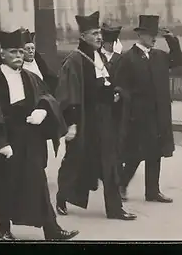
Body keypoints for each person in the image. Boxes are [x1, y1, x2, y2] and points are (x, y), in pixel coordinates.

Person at [0, 29, 79, 241]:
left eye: (20, 52)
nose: (18, 56)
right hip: (6, 139)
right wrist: (0, 143)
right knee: (6, 184)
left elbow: (46, 96)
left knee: (38, 182)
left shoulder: (30, 77)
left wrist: (43, 110)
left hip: (30, 137)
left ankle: (51, 229)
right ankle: (3, 227)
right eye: (13, 53)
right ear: (2, 55)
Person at [55, 11, 137, 221]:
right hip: (84, 121)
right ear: (83, 37)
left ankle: (115, 209)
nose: (99, 37)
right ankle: (62, 197)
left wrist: (114, 95)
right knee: (76, 162)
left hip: (104, 120)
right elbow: (68, 93)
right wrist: (71, 123)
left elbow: (103, 85)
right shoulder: (74, 60)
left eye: (99, 33)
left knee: (110, 164)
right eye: (94, 34)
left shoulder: (99, 57)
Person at [113, 15, 182, 203]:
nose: (154, 38)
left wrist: (171, 40)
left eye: (155, 35)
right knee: (136, 153)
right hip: (139, 115)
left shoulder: (159, 56)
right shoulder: (128, 58)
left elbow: (177, 60)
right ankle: (121, 185)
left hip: (159, 112)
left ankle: (152, 190)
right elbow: (120, 84)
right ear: (141, 35)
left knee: (156, 152)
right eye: (151, 35)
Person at [21, 29, 58, 94]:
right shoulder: (19, 67)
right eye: (27, 49)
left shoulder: (39, 64)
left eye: (33, 48)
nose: (31, 51)